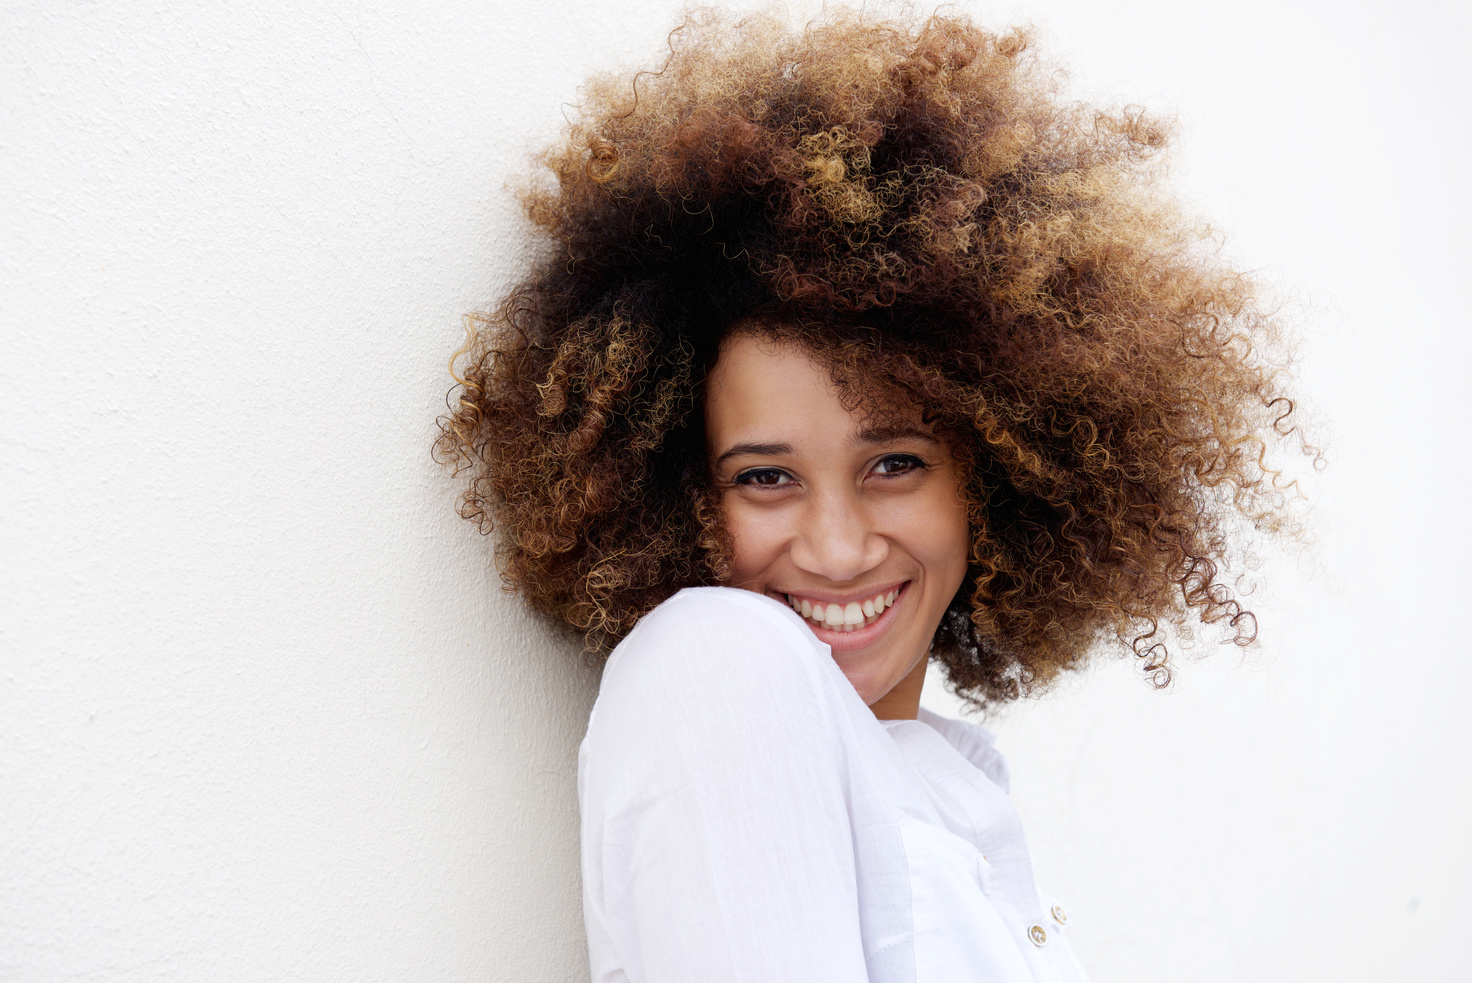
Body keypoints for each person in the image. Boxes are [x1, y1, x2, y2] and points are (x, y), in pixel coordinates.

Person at [435, 8, 1312, 981]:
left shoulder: (933, 775)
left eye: (893, 462)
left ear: (994, 468)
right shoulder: (721, 663)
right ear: (668, 487)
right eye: (764, 476)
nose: (839, 546)